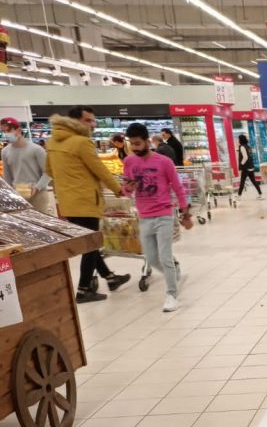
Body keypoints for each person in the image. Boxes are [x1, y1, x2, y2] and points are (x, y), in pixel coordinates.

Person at [45, 106, 130, 303]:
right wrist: (118, 189)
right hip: (85, 200)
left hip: (67, 202)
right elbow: (100, 169)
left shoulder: (52, 141)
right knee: (91, 246)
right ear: (75, 121)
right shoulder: (82, 142)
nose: (93, 124)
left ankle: (110, 277)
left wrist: (68, 182)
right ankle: (84, 290)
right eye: (88, 120)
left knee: (89, 242)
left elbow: (49, 170)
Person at [123, 123, 191, 313]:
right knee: (152, 258)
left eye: (138, 143)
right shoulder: (129, 162)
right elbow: (125, 191)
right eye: (132, 144)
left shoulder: (164, 162)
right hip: (144, 216)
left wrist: (185, 212)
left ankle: (171, 294)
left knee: (165, 256)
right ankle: (174, 271)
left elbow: (177, 187)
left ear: (147, 141)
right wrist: (128, 188)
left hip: (164, 214)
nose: (135, 148)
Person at [1, 116, 54, 215]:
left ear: (19, 130)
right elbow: (7, 177)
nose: (6, 134)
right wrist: (10, 194)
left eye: (8, 130)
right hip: (18, 195)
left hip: (39, 195)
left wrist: (37, 187)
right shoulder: (5, 152)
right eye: (3, 131)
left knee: (41, 221)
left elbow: (48, 172)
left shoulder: (37, 149)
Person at [236, 134, 262, 199]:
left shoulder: (242, 147)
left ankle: (239, 195)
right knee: (254, 181)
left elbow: (245, 157)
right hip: (250, 166)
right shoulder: (248, 147)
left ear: (241, 140)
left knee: (242, 181)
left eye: (238, 139)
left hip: (245, 167)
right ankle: (260, 194)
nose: (238, 140)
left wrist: (241, 164)